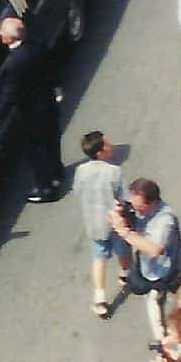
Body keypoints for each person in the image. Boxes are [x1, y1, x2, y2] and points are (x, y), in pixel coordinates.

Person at [0, 16, 65, 202]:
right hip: (48, 104)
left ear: (9, 38)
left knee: (35, 151)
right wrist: (57, 87)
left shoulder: (14, 64)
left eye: (2, 32)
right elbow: (52, 67)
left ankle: (46, 188)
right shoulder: (37, 46)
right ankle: (57, 173)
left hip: (31, 113)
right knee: (52, 141)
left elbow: (9, 97)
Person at [109, 180, 181, 342]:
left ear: (151, 203)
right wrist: (121, 212)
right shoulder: (137, 204)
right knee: (151, 302)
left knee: (167, 301)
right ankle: (161, 338)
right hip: (145, 265)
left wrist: (124, 232)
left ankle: (173, 335)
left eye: (138, 206)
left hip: (162, 270)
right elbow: (125, 206)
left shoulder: (165, 221)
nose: (134, 208)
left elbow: (155, 250)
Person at [72, 131, 128, 317]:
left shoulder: (81, 171)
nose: (111, 146)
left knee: (99, 257)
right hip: (114, 221)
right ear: (100, 152)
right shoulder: (114, 172)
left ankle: (99, 298)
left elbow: (77, 191)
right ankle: (125, 274)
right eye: (108, 144)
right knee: (123, 250)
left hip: (94, 223)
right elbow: (123, 197)